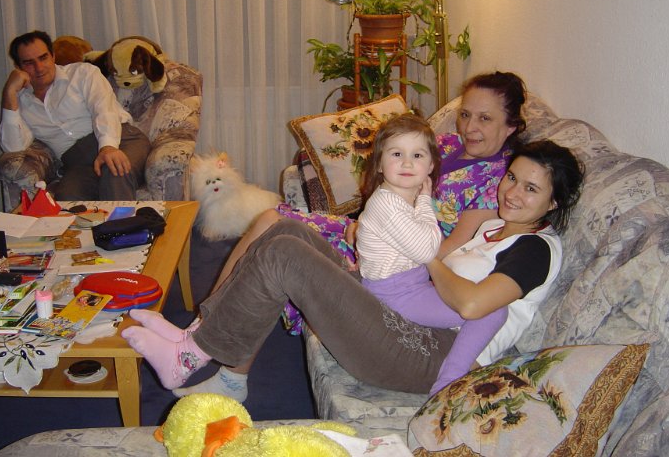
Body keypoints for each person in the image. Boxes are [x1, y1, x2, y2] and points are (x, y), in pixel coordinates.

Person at [122, 140, 584, 402]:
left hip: (432, 355)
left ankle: (191, 356)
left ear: (554, 202)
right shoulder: (493, 227)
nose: (512, 193)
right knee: (286, 231)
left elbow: (473, 304)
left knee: (286, 256)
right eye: (512, 178)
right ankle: (211, 353)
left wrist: (425, 255)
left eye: (531, 189)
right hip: (409, 316)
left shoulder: (535, 250)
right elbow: (438, 276)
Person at [162, 71, 527, 400]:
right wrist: (367, 224)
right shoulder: (445, 144)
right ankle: (205, 330)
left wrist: (379, 235)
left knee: (277, 240)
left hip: (404, 259)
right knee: (272, 219)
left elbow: (445, 251)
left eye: (485, 118)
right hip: (381, 232)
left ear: (511, 126)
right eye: (466, 114)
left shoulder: (495, 181)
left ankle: (208, 344)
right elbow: (394, 182)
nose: (470, 127)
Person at [355, 112, 508, 394]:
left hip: (409, 285)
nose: (407, 163)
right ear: (379, 163)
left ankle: (454, 359)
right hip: (395, 295)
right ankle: (446, 383)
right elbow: (429, 250)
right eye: (397, 154)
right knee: (492, 310)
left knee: (475, 295)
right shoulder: (387, 204)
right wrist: (426, 200)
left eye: (417, 155)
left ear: (431, 165)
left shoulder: (398, 197)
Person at [0, 30, 151, 201]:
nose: (39, 68)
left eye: (43, 58)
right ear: (19, 67)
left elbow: (103, 109)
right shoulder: (21, 101)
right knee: (68, 197)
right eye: (29, 63)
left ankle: (123, 220)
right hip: (78, 163)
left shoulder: (83, 73)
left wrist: (108, 147)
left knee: (115, 169)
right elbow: (13, 146)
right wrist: (9, 92)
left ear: (53, 56)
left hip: (122, 140)